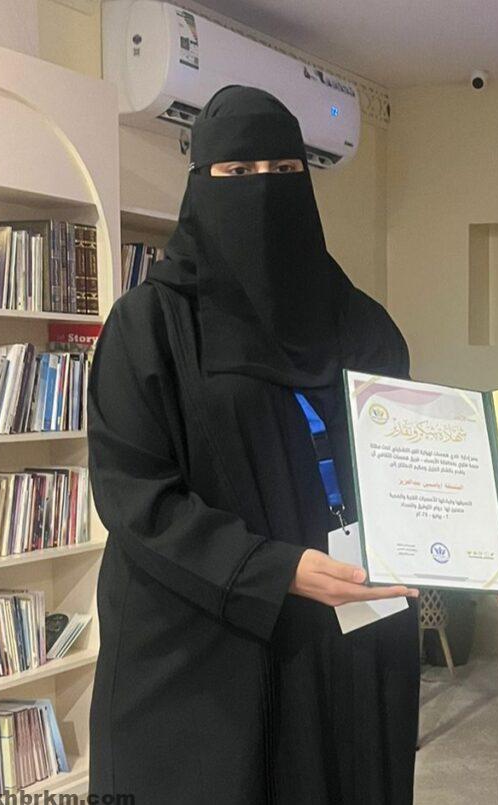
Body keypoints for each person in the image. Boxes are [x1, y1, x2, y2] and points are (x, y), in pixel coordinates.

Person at [87, 86, 420, 804]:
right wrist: (273, 570)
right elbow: (135, 495)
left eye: (283, 170)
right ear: (200, 183)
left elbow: (407, 456)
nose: (262, 189)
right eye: (237, 173)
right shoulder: (149, 326)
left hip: (343, 623)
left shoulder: (362, 325)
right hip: (200, 644)